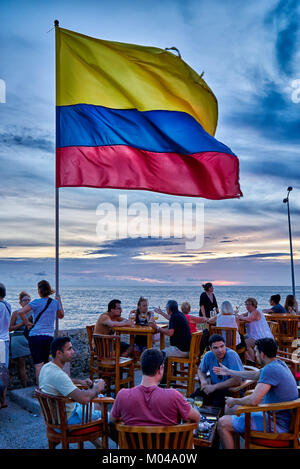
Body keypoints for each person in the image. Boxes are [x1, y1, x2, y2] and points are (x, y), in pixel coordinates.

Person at [217, 338, 299, 449]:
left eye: (255, 351)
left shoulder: (270, 369)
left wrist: (234, 400)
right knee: (229, 408)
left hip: (277, 426)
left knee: (222, 423)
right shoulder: (279, 363)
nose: (255, 354)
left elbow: (253, 400)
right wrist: (229, 371)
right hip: (283, 420)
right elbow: (255, 375)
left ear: (262, 354)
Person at [109, 348, 200, 441]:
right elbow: (196, 418)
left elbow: (112, 420)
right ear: (160, 369)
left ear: (142, 368)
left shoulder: (122, 395)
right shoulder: (173, 395)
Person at [39, 336, 106, 448]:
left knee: (93, 405)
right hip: (67, 421)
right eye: (69, 349)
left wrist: (80, 382)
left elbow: (66, 381)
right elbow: (84, 399)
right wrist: (97, 388)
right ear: (59, 353)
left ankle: (99, 445)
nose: (73, 351)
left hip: (55, 419)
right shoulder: (58, 375)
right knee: (110, 417)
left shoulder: (47, 368)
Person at [18, 280, 64, 384]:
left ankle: (39, 390)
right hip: (48, 337)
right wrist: (59, 301)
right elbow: (61, 316)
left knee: (38, 364)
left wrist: (27, 323)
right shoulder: (55, 303)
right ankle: (46, 388)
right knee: (47, 363)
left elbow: (21, 312)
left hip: (35, 337)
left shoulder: (36, 302)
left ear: (39, 291)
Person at [191, 334, 243, 408]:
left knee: (217, 403)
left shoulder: (231, 355)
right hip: (214, 389)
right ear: (210, 348)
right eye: (216, 348)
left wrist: (214, 387)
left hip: (230, 391)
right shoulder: (208, 355)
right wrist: (203, 381)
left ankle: (215, 418)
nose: (220, 350)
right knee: (193, 398)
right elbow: (200, 370)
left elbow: (237, 380)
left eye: (222, 346)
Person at [238, 297, 273, 364]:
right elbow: (243, 315)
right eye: (246, 304)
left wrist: (240, 317)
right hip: (253, 335)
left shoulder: (256, 312)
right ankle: (247, 359)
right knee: (240, 339)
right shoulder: (249, 312)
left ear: (254, 305)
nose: (247, 306)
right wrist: (238, 315)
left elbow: (249, 319)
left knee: (246, 343)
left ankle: (254, 362)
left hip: (260, 337)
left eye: (249, 304)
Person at [9, 291, 32, 388]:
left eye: (28, 300)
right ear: (20, 302)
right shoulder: (16, 313)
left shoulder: (33, 313)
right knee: (21, 365)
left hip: (30, 339)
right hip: (18, 338)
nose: (27, 302)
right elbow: (10, 328)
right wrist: (23, 323)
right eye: (24, 300)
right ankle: (25, 387)